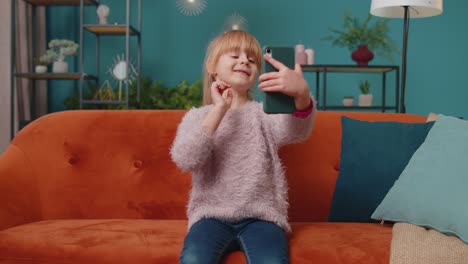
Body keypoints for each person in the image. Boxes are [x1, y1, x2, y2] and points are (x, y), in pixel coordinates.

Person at [170, 30, 315, 264]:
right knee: (193, 259)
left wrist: (302, 96)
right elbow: (186, 158)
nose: (244, 60)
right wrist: (219, 110)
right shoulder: (199, 117)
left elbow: (295, 131)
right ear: (212, 67)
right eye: (234, 55)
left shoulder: (264, 114)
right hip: (210, 217)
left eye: (251, 58)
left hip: (262, 218)